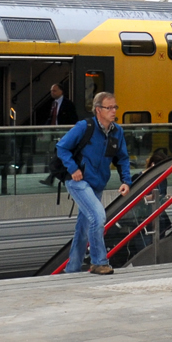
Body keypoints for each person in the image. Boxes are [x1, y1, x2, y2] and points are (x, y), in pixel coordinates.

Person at [57, 92, 132, 275]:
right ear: (98, 110)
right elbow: (62, 147)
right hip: (78, 182)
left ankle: (72, 269)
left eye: (115, 107)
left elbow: (122, 158)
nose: (114, 111)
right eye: (109, 107)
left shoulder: (117, 131)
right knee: (98, 216)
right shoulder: (85, 127)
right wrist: (73, 168)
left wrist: (126, 181)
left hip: (97, 184)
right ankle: (99, 262)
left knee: (83, 228)